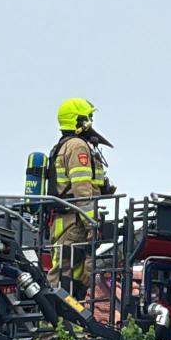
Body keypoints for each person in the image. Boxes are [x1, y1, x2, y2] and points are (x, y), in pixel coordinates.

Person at [47, 98, 115, 301]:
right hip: (75, 221)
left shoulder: (64, 146)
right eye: (89, 117)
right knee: (64, 272)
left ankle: (72, 319)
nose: (91, 122)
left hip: (66, 220)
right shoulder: (77, 146)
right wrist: (91, 224)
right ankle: (59, 318)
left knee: (78, 272)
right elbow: (82, 190)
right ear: (79, 120)